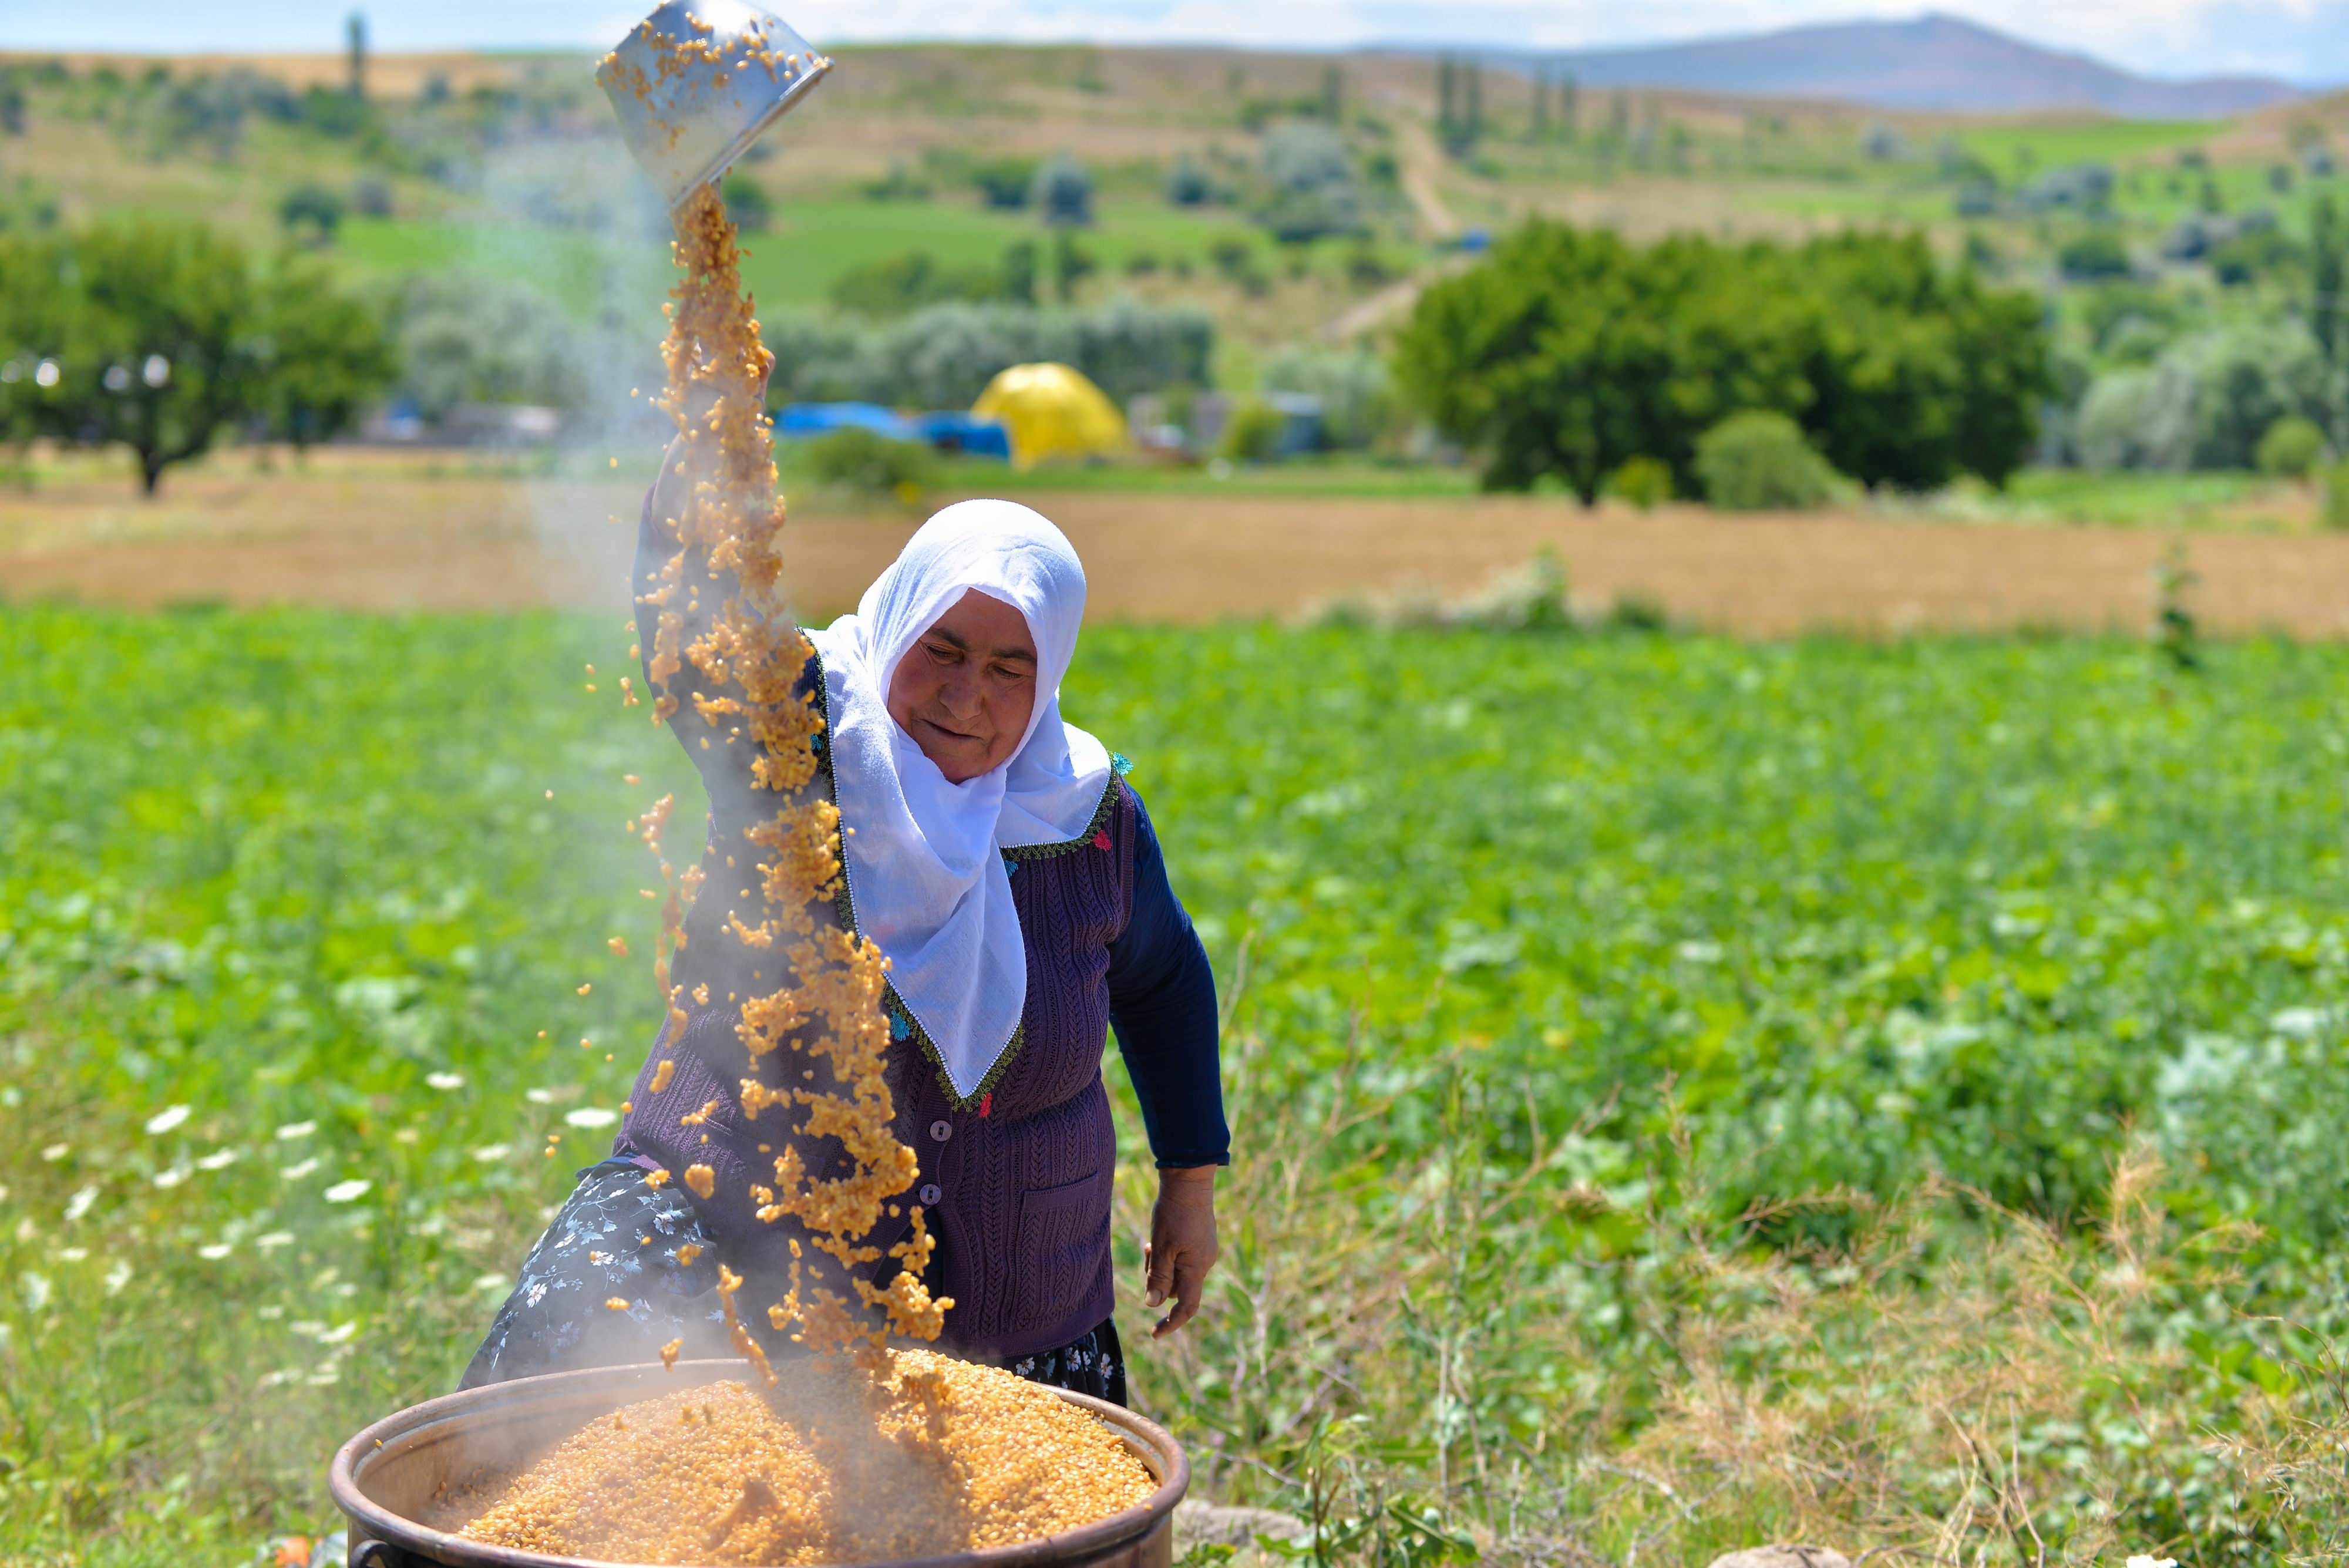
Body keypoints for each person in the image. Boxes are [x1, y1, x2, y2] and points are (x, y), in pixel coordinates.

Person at [462, 424, 1227, 1407]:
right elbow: (691, 640)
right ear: (899, 623)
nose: (965, 695)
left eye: (1008, 668)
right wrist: (709, 448)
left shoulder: (1088, 817)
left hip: (1017, 1300)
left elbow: (1164, 982)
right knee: (522, 1464)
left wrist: (1190, 1182)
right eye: (941, 649)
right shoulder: (800, 734)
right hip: (719, 1239)